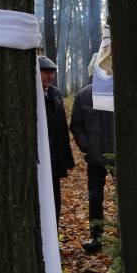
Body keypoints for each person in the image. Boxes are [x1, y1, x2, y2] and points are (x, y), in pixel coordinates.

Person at [70, 82, 115, 254]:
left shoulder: (121, 90)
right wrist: (86, 146)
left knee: (124, 197)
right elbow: (76, 124)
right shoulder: (84, 95)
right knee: (95, 197)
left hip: (120, 157)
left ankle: (123, 235)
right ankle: (96, 236)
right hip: (95, 157)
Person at [40, 55, 75, 220]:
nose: (50, 76)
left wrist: (67, 159)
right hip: (39, 159)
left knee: (55, 201)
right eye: (45, 72)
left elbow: (62, 129)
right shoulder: (30, 95)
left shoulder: (55, 94)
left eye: (52, 72)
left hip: (54, 159)